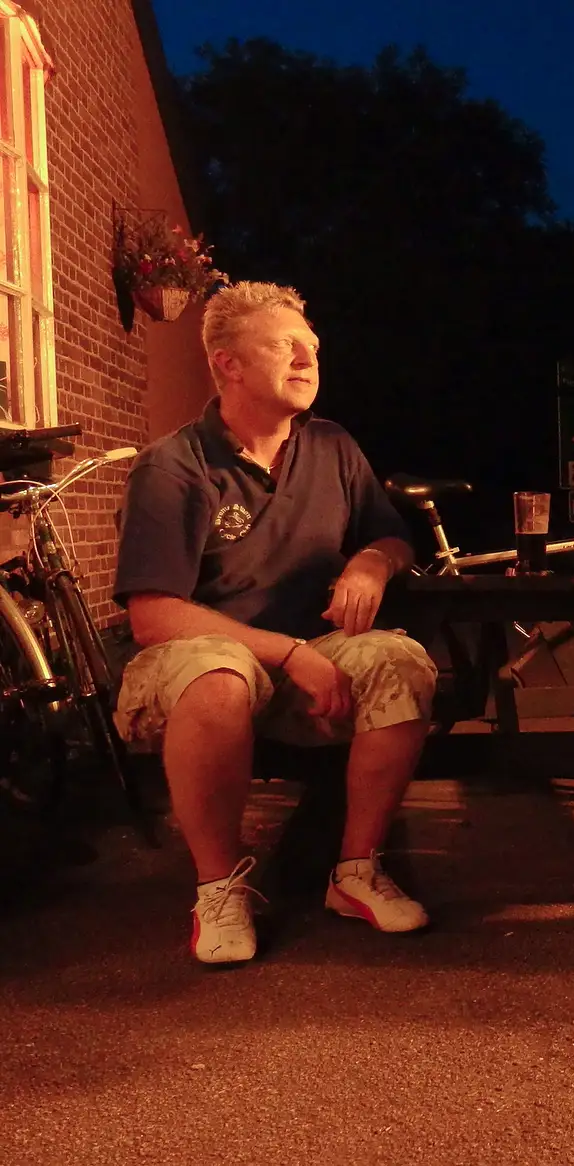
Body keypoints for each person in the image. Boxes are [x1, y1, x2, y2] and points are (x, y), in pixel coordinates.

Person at [113, 281, 438, 965]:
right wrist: (289, 653)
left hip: (306, 662)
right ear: (227, 364)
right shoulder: (172, 467)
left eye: (311, 347)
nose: (306, 358)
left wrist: (371, 564)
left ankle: (355, 873)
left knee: (401, 661)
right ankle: (219, 889)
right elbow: (153, 616)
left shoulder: (333, 447)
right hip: (194, 666)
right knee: (218, 676)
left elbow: (392, 535)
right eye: (284, 346)